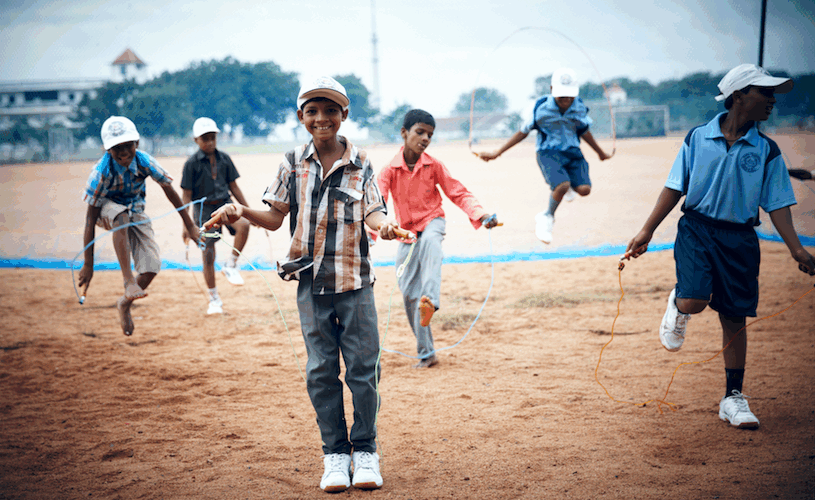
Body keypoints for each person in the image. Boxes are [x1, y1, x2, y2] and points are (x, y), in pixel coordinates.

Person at [207, 77, 405, 493]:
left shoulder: (362, 162)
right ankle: (335, 455)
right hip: (310, 284)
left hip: (356, 283)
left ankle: (365, 450)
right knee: (320, 371)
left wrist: (385, 228)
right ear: (301, 117)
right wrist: (237, 210)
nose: (322, 118)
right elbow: (275, 217)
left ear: (344, 115)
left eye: (330, 110)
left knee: (364, 372)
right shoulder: (291, 162)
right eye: (312, 111)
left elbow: (373, 213)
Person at [624, 64, 815, 429]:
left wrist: (797, 250)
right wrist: (647, 230)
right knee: (695, 300)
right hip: (697, 228)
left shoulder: (767, 151)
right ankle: (678, 303)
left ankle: (733, 398)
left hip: (740, 238)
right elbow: (675, 186)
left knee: (733, 317)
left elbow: (777, 205)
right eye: (765, 92)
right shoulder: (697, 138)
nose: (773, 100)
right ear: (739, 95)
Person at [378, 109, 500, 369]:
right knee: (409, 295)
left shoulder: (434, 166)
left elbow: (458, 192)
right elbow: (375, 205)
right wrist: (372, 231)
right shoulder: (389, 170)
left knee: (432, 245)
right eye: (420, 132)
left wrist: (481, 214)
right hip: (406, 234)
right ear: (404, 133)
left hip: (432, 222)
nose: (425, 139)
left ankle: (431, 300)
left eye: (430, 135)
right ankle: (427, 353)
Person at [78, 116, 200, 336]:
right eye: (117, 149)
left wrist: (190, 226)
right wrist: (89, 264)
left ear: (137, 143)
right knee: (120, 216)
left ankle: (125, 302)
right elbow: (89, 219)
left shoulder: (145, 161)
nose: (124, 153)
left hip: (136, 210)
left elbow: (170, 190)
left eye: (128, 146)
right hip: (106, 212)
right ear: (108, 150)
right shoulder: (101, 172)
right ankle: (128, 281)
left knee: (152, 266)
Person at [478, 67, 610, 243]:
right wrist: (498, 152)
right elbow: (522, 132)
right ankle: (547, 217)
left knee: (584, 190)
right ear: (552, 90)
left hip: (572, 152)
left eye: (570, 95)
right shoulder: (540, 108)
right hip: (548, 152)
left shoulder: (579, 107)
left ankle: (568, 184)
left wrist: (600, 152)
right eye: (562, 95)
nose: (566, 100)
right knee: (562, 186)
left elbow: (585, 131)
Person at [181, 117, 252, 315]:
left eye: (213, 138)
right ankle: (214, 299)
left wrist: (249, 211)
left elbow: (234, 187)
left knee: (244, 226)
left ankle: (231, 264)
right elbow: (186, 195)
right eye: (205, 139)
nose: (210, 142)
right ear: (196, 140)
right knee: (208, 253)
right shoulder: (191, 164)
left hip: (225, 206)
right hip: (204, 212)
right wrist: (186, 226)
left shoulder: (224, 159)